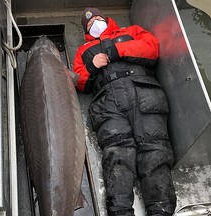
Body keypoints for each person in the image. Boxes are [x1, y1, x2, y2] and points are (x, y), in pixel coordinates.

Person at [73, 7, 177, 216]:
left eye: (97, 19)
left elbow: (151, 48)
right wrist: (92, 67)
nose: (95, 23)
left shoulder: (131, 31)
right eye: (90, 24)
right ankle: (119, 210)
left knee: (154, 148)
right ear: (86, 31)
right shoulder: (83, 51)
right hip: (108, 101)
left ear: (107, 19)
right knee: (117, 153)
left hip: (143, 91)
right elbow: (79, 81)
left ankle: (161, 209)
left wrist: (118, 50)